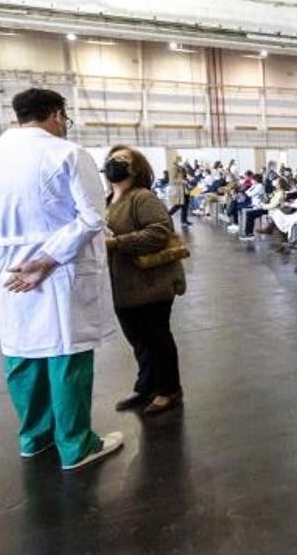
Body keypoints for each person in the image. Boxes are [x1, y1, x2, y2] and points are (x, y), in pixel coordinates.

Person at [0, 88, 123, 470]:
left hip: (9, 271)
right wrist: (46, 257)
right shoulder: (67, 154)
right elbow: (93, 217)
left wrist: (12, 251)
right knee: (66, 356)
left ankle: (34, 437)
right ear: (58, 115)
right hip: (60, 269)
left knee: (22, 354)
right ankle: (76, 445)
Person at [101, 146, 186, 416]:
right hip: (122, 284)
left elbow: (160, 232)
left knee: (156, 338)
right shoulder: (106, 200)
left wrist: (116, 243)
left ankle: (169, 389)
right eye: (112, 159)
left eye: (122, 160)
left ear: (135, 168)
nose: (115, 163)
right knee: (138, 340)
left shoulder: (142, 197)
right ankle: (146, 384)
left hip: (151, 284)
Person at [166, 156, 191, 230]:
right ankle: (166, 216)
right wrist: (183, 181)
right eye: (180, 160)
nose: (181, 161)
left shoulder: (181, 168)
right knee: (178, 205)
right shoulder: (174, 168)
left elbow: (184, 176)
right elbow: (172, 180)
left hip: (185, 189)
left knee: (185, 206)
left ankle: (184, 221)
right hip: (179, 190)